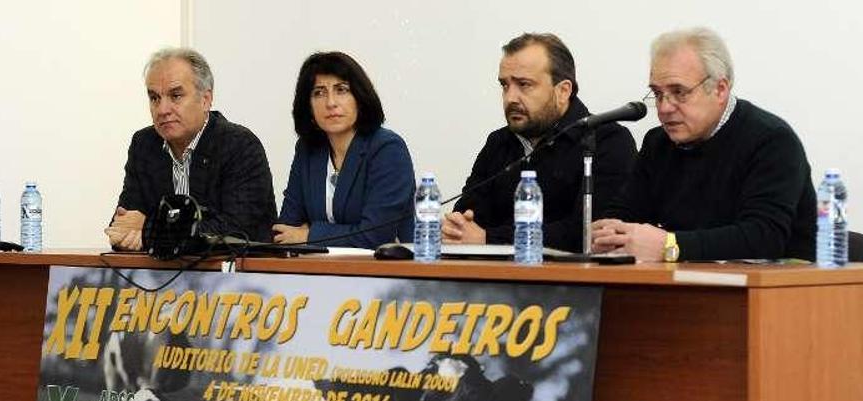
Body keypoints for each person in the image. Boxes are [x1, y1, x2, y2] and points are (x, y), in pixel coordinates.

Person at [592, 27, 816, 262]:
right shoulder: (658, 143)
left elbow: (763, 238)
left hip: (779, 290)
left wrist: (670, 245)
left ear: (720, 89)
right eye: (658, 94)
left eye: (679, 92)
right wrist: (609, 233)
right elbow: (625, 214)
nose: (664, 107)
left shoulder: (772, 141)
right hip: (687, 286)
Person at [442, 33, 637, 251]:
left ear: (563, 91)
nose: (510, 98)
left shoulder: (606, 141)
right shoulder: (499, 142)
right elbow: (468, 218)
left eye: (524, 85)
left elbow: (589, 233)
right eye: (505, 85)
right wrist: (456, 229)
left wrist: (489, 238)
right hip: (494, 279)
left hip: (571, 282)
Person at [106, 48, 277, 250]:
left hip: (237, 276)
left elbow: (235, 231)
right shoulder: (144, 144)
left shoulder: (239, 145)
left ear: (205, 100)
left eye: (176, 96)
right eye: (154, 98)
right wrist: (131, 234)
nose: (162, 110)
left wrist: (150, 230)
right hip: (164, 278)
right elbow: (123, 223)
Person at [273, 51, 415, 249]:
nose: (331, 103)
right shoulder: (309, 150)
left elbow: (375, 236)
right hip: (319, 273)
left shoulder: (387, 149)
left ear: (360, 97)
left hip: (385, 273)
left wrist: (310, 234)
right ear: (309, 107)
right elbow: (286, 229)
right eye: (319, 93)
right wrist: (301, 234)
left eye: (341, 90)